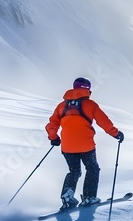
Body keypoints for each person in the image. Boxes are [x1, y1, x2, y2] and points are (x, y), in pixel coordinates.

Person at [45, 77, 124, 210]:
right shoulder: (90, 105)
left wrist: (53, 137)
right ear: (87, 89)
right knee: (92, 168)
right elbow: (104, 122)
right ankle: (89, 197)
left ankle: (67, 196)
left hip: (67, 146)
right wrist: (116, 134)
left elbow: (52, 124)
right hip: (86, 145)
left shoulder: (61, 106)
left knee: (74, 171)